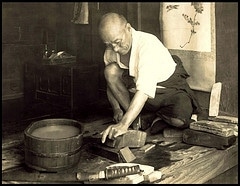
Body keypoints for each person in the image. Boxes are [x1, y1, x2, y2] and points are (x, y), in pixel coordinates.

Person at [98, 12, 202, 143]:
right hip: (140, 92)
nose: (115, 48)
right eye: (109, 44)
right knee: (110, 70)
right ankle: (138, 119)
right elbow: (110, 81)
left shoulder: (147, 44)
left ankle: (151, 118)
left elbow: (144, 91)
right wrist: (117, 109)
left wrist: (123, 124)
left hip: (168, 88)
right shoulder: (111, 50)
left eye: (118, 42)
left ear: (128, 28)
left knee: (179, 121)